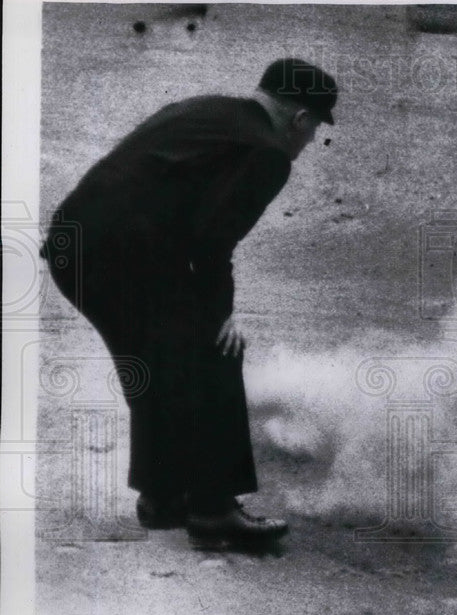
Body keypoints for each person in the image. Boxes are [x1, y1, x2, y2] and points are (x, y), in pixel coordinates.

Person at [41, 57, 337, 542]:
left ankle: (164, 498)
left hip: (72, 244)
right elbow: (211, 239)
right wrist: (222, 314)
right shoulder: (267, 152)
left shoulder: (208, 110)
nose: (309, 143)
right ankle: (213, 506)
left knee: (157, 362)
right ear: (300, 118)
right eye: (314, 129)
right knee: (215, 349)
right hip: (116, 257)